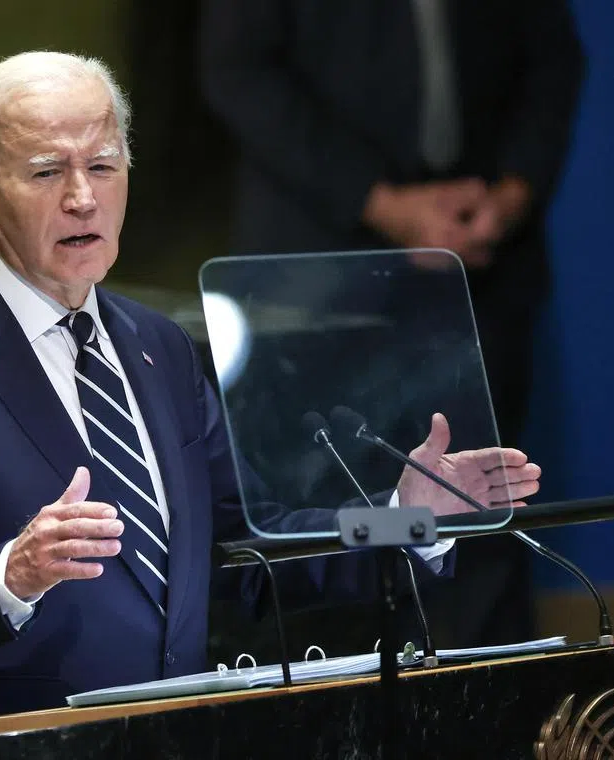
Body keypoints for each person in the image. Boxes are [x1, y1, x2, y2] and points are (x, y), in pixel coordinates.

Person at [0, 51, 542, 735]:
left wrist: (406, 519)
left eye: (103, 166)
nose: (81, 198)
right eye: (46, 173)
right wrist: (9, 576)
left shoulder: (158, 348)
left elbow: (251, 547)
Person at [199, 0, 583, 648]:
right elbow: (237, 68)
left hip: (482, 265)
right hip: (317, 283)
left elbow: (553, 59)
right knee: (326, 544)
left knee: (480, 515)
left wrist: (510, 193)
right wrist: (379, 201)